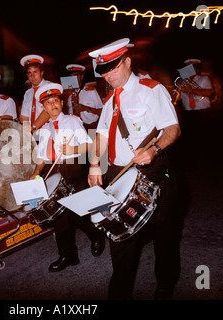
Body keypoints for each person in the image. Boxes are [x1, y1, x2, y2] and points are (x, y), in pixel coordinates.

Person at [87, 38, 182, 299]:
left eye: (113, 67)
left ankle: (165, 283)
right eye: (104, 71)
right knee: (119, 236)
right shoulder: (108, 102)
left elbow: (172, 128)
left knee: (164, 235)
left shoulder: (151, 90)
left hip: (154, 173)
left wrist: (154, 149)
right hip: (117, 175)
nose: (108, 75)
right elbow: (102, 136)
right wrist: (95, 164)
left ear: (127, 62)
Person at [29, 83, 105, 272]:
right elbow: (42, 156)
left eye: (56, 100)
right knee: (58, 217)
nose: (52, 105)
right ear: (44, 108)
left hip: (74, 170)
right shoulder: (45, 129)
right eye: (48, 103)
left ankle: (95, 235)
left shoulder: (72, 121)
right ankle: (68, 256)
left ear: (62, 103)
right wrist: (36, 172)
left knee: (78, 211)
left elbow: (88, 144)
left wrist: (73, 149)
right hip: (54, 173)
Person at [65, 64, 103, 130]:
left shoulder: (91, 91)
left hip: (92, 127)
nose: (73, 79)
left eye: (75, 76)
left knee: (94, 140)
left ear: (81, 76)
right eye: (71, 77)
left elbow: (102, 111)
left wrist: (85, 108)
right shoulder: (69, 96)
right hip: (77, 129)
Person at [19, 55, 51, 132]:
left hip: (48, 131)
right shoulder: (28, 93)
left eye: (35, 72)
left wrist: (33, 127)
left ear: (42, 72)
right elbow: (24, 116)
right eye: (29, 73)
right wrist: (28, 131)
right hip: (33, 132)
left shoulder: (50, 87)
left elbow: (48, 111)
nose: (32, 76)